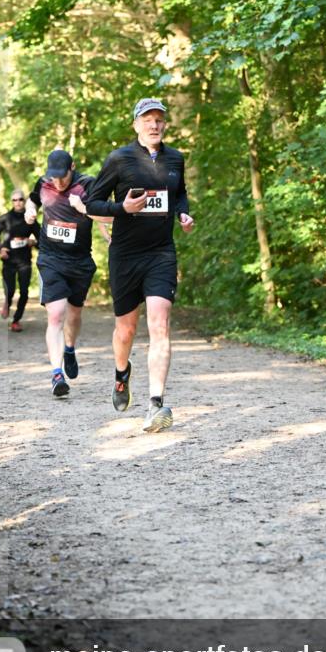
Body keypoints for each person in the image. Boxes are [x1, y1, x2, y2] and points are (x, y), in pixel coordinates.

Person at [84, 97, 194, 432]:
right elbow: (92, 205)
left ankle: (156, 404)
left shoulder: (175, 158)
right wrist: (123, 211)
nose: (155, 125)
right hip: (125, 255)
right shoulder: (119, 159)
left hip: (161, 253)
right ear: (136, 125)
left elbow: (179, 194)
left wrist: (183, 213)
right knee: (126, 330)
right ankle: (121, 374)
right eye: (148, 119)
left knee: (160, 325)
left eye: (160, 119)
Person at [25, 150, 111, 397]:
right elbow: (33, 199)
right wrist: (30, 211)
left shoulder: (88, 184)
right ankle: (56, 373)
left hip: (80, 261)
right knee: (56, 314)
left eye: (62, 177)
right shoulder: (43, 183)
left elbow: (106, 214)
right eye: (54, 178)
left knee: (74, 314)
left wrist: (83, 207)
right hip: (50, 259)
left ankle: (70, 348)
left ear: (72, 167)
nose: (58, 182)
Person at [0, 190, 40, 332]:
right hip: (9, 261)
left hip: (24, 260)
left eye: (20, 199)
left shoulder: (30, 219)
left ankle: (16, 320)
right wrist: (0, 248)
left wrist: (33, 242)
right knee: (10, 290)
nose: (18, 202)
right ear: (11, 202)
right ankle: (7, 302)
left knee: (24, 292)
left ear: (24, 201)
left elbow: (41, 239)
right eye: (15, 200)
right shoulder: (5, 219)